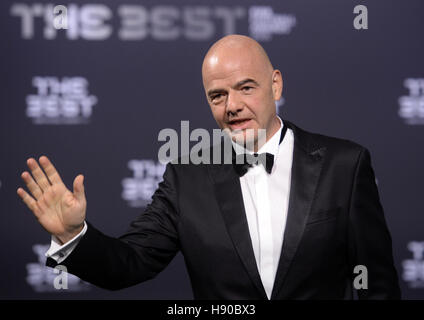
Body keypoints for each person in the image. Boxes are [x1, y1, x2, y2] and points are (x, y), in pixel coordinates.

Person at [17, 35, 401, 299]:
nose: (231, 106)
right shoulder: (187, 176)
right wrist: (73, 234)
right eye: (217, 95)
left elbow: (377, 287)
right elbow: (129, 264)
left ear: (276, 85)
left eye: (245, 88)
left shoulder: (344, 165)